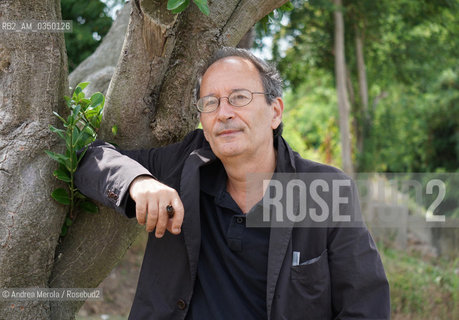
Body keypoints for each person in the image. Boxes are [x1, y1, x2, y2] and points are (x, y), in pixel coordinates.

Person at [75, 47, 390, 320]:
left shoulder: (324, 191)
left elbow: (366, 307)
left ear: (275, 112)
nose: (223, 113)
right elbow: (87, 157)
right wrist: (139, 181)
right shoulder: (184, 164)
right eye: (210, 102)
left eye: (239, 98)